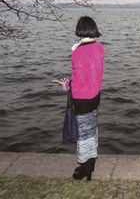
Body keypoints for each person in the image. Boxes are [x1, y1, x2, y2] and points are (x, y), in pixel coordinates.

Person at [55, 16, 105, 181]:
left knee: (84, 134)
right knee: (92, 130)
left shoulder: (78, 52)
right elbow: (95, 74)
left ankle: (85, 167)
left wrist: (65, 85)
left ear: (80, 29)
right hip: (95, 96)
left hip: (82, 99)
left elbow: (78, 82)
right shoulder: (99, 48)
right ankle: (91, 161)